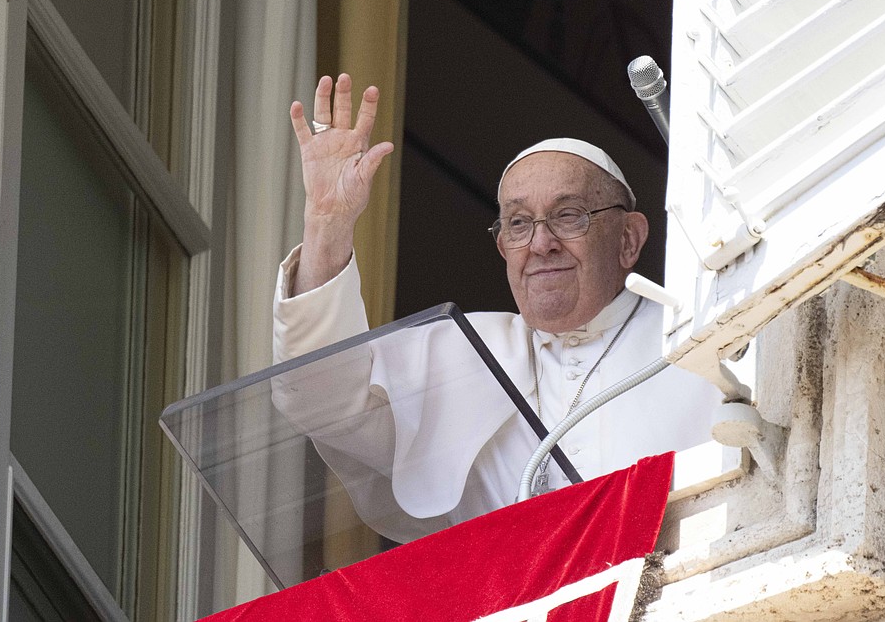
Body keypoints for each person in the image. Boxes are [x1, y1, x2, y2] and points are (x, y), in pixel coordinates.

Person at [272, 73, 722, 540]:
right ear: (504, 247)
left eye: (568, 215)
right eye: (519, 223)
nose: (541, 243)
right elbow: (319, 396)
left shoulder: (702, 336)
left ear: (628, 239)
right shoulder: (464, 350)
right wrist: (326, 225)